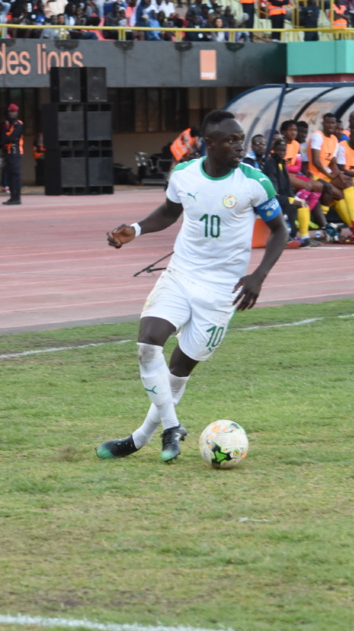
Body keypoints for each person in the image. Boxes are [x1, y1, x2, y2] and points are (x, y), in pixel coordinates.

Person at [97, 110, 288, 463]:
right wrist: (135, 230)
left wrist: (258, 276)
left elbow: (280, 230)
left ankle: (139, 439)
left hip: (222, 292)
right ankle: (172, 427)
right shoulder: (184, 174)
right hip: (181, 274)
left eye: (240, 138)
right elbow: (171, 212)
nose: (238, 145)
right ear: (209, 143)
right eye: (230, 140)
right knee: (147, 343)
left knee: (178, 371)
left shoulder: (255, 182)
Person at [0, 103, 24, 205]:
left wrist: (6, 138)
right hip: (7, 152)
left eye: (14, 112)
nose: (12, 113)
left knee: (15, 174)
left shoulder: (18, 124)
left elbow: (13, 137)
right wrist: (6, 138)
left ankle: (17, 197)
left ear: (17, 112)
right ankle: (13, 196)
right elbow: (1, 138)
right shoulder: (6, 124)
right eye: (10, 111)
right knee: (9, 174)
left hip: (14, 151)